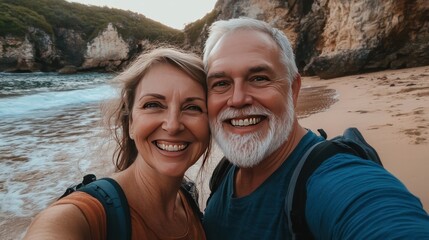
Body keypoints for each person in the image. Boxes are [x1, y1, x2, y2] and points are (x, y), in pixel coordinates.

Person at [202, 17, 429, 239]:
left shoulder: (332, 178)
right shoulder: (224, 172)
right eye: (221, 83)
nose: (238, 99)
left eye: (259, 78)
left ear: (293, 89)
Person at [24, 48, 210, 239]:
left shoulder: (188, 201)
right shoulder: (86, 213)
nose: (172, 125)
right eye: (153, 105)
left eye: (193, 107)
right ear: (130, 123)